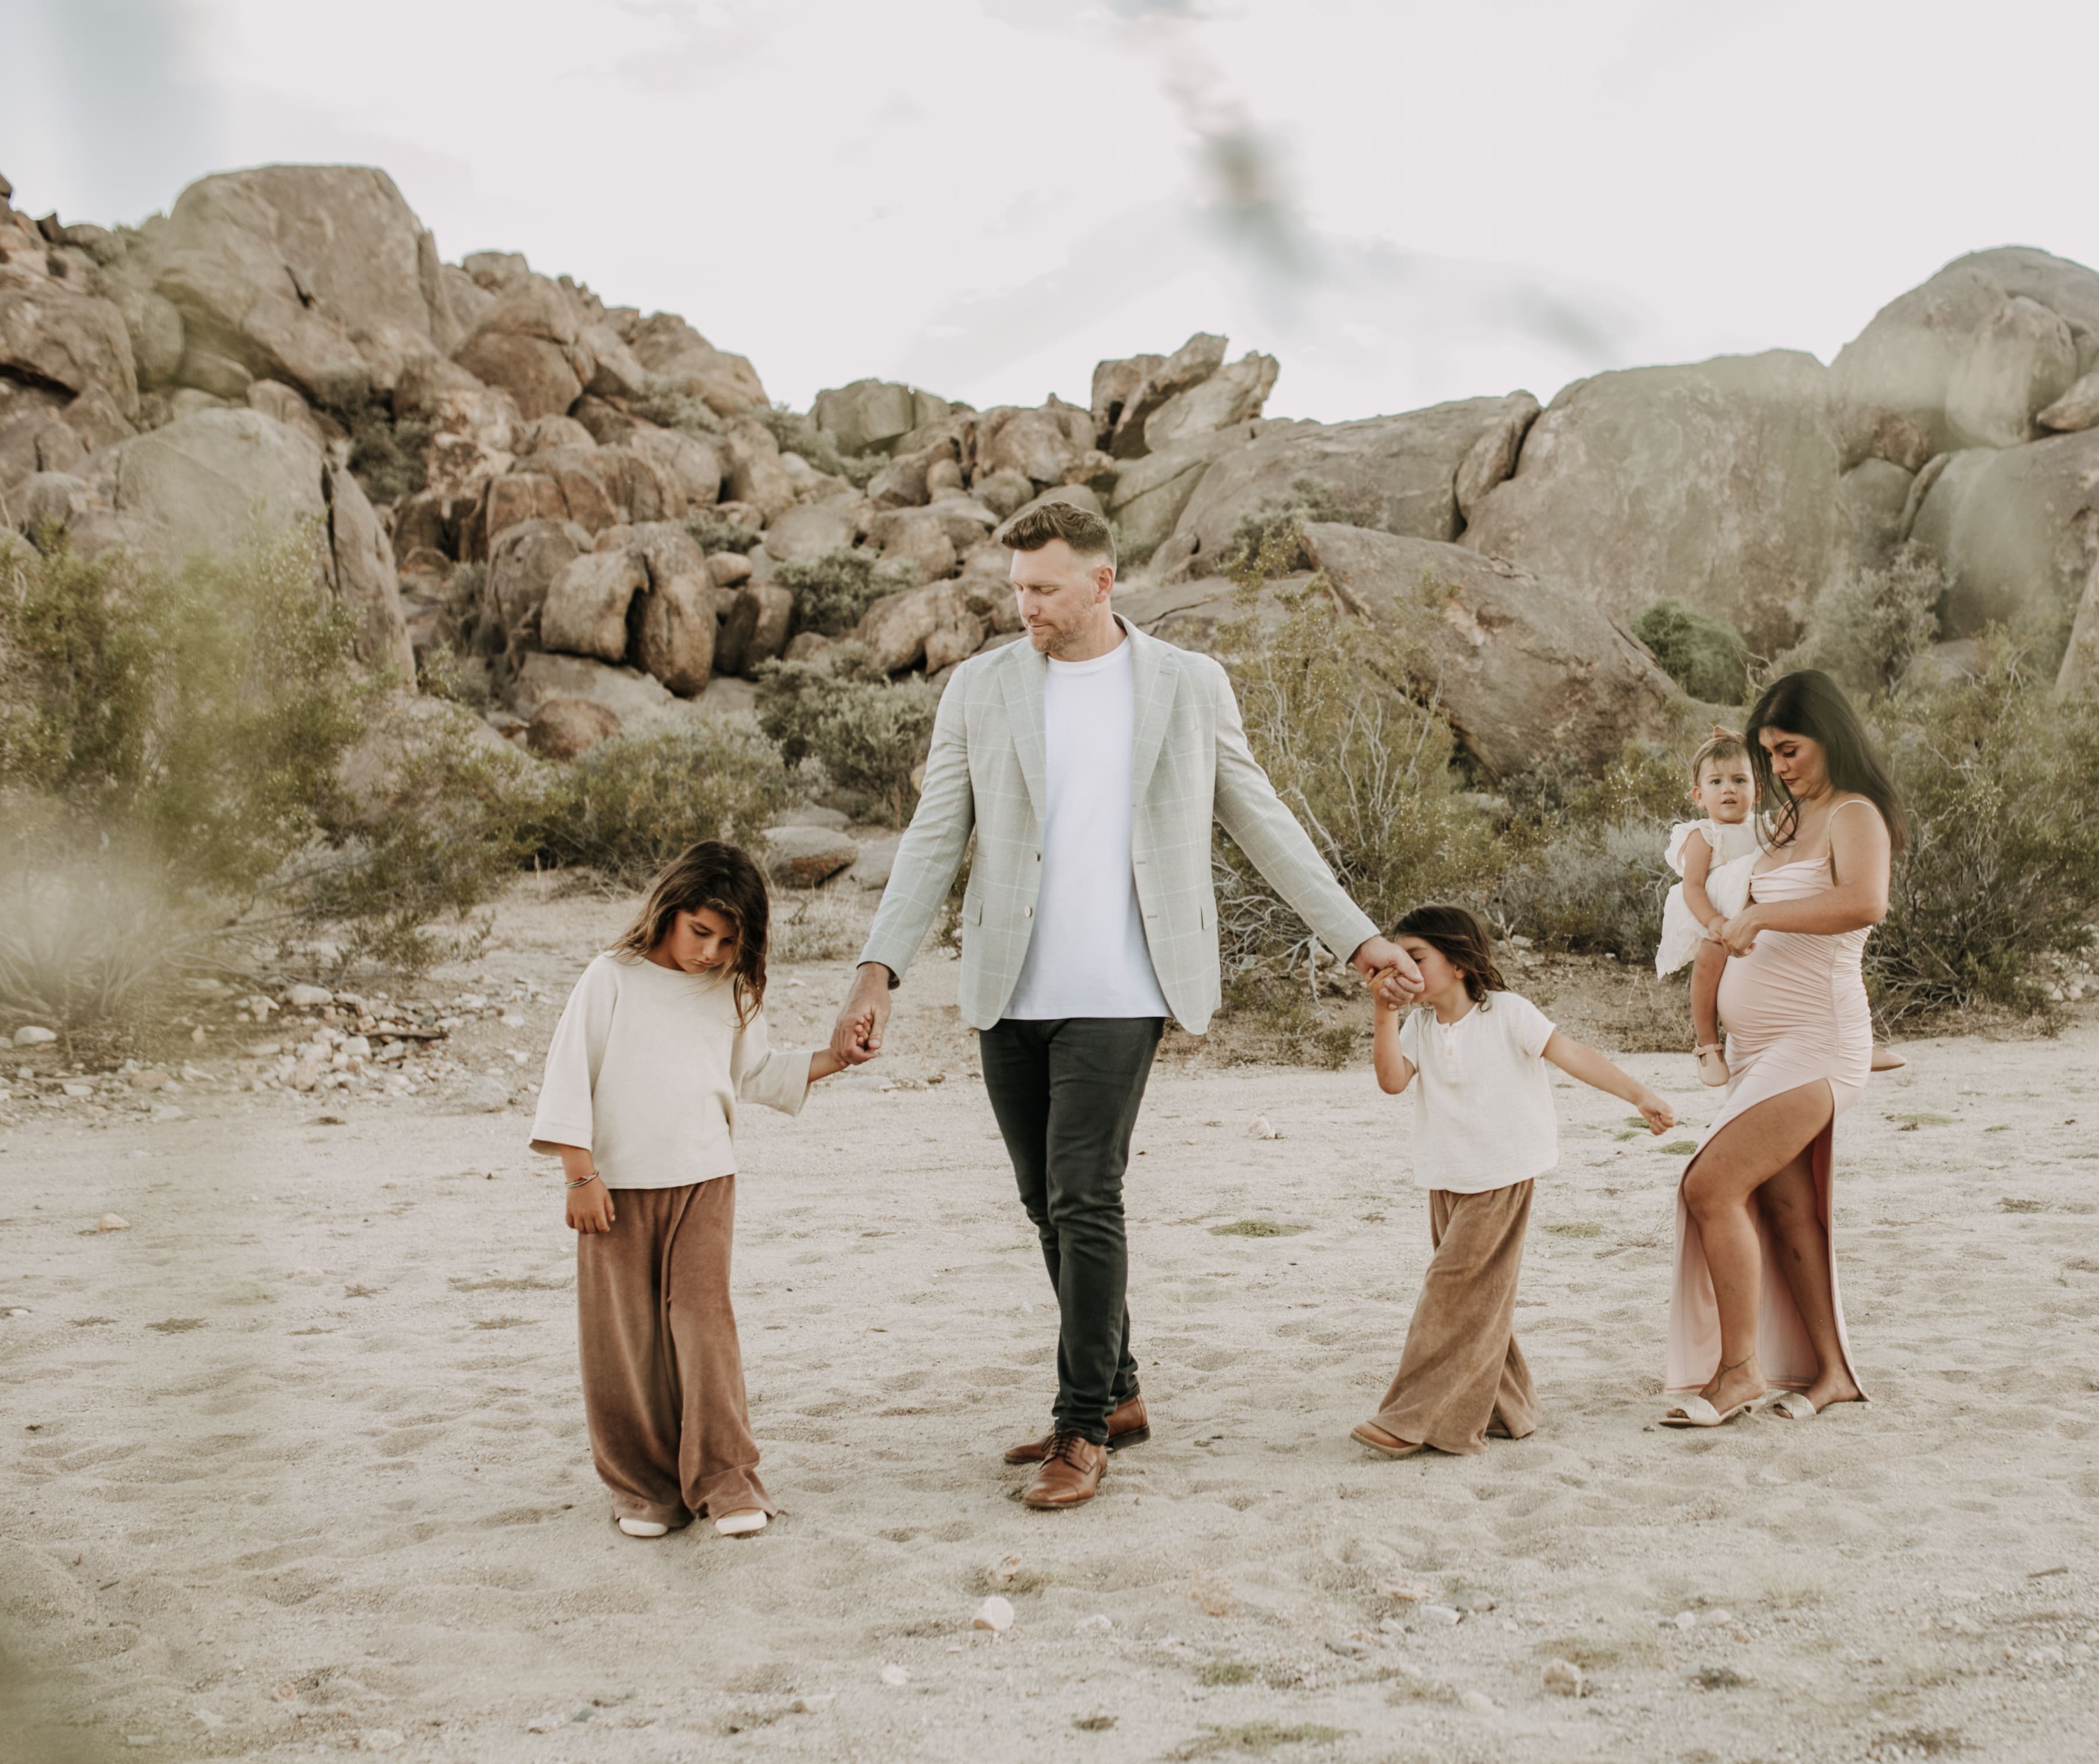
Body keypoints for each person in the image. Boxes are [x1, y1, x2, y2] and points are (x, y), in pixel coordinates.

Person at [835, 499, 1422, 1511]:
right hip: (1009, 983)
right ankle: (1122, 1394)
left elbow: (1262, 819)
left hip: (1126, 984)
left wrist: (1359, 939)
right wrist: (878, 970)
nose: (1027, 607)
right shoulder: (981, 689)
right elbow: (937, 835)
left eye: (1045, 589)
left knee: (1083, 1195)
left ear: (1104, 583)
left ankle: (1079, 1428)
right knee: (1041, 1204)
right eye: (1017, 589)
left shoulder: (1188, 686)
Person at [529, 842, 859, 1537]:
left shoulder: (731, 987)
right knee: (626, 1341)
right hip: (614, 1190)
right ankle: (645, 1490)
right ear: (669, 910)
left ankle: (726, 1478)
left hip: (706, 1180)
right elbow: (568, 1080)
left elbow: (759, 1072)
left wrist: (837, 1056)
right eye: (699, 932)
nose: (710, 951)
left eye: (729, 940)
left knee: (705, 1327)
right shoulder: (608, 978)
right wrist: (579, 1176)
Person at [1660, 671, 1900, 1427]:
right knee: (1790, 1208)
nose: (1782, 767)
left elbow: (1866, 902)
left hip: (1817, 1040)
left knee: (1709, 1186)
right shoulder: (1794, 820)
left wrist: (1764, 921)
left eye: (1790, 749)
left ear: (1829, 736)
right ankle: (1831, 1374)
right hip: (1764, 1048)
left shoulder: (1854, 814)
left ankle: (1738, 1374)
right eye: (1771, 754)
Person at [1353, 905, 1677, 1458]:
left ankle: (1411, 1419)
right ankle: (1512, 1409)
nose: (1402, 970)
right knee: (1479, 1298)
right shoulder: (1419, 1025)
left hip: (1500, 1174)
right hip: (1446, 1177)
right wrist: (1384, 1012)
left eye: (1416, 958)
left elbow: (1573, 1055)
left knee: (1450, 1293)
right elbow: (1391, 1081)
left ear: (1457, 963)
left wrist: (1640, 1096)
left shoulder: (1506, 1013)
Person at [1655, 727, 1761, 1090]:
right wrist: (1713, 921)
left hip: (1761, 917)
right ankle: (1708, 1043)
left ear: (1757, 789)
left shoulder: (1768, 828)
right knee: (1708, 960)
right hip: (1717, 915)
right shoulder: (1704, 834)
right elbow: (1693, 887)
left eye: (1739, 779)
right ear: (1700, 796)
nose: (1728, 789)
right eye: (1716, 782)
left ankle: (1844, 1028)